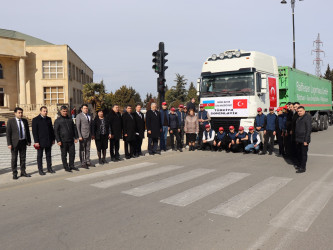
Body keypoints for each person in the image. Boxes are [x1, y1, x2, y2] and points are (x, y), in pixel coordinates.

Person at [6, 107, 32, 179]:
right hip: (14, 143)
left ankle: (23, 172)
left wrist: (29, 141)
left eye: (21, 113)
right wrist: (9, 143)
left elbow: (27, 132)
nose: (21, 114)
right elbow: (8, 133)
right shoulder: (11, 121)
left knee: (23, 158)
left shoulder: (25, 121)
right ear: (15, 113)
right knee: (14, 159)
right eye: (19, 113)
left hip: (23, 142)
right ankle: (14, 173)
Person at [54, 106, 79, 172]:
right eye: (63, 111)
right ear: (60, 112)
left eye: (66, 111)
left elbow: (74, 128)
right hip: (63, 141)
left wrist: (76, 137)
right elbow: (56, 131)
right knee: (64, 154)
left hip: (71, 140)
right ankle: (66, 167)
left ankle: (71, 165)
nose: (65, 112)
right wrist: (58, 140)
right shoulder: (58, 120)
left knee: (72, 153)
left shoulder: (70, 119)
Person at [32, 106, 55, 175]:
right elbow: (34, 132)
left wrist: (53, 139)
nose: (45, 112)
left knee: (48, 155)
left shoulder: (49, 119)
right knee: (40, 156)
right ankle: (40, 169)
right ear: (40, 111)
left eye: (46, 111)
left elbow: (51, 130)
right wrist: (36, 141)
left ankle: (49, 168)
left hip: (48, 140)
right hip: (40, 141)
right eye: (44, 111)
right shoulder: (35, 119)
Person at [76, 104, 95, 169]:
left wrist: (92, 134)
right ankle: (83, 163)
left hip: (89, 135)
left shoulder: (89, 115)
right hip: (82, 135)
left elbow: (91, 125)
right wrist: (79, 136)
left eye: (86, 108)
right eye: (84, 108)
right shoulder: (79, 116)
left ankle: (88, 161)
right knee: (82, 150)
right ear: (81, 109)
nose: (86, 109)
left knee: (88, 149)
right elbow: (78, 127)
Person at [295, 106, 311, 173]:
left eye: (300, 111)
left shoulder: (307, 117)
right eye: (298, 111)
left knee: (303, 154)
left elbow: (308, 130)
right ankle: (300, 165)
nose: (299, 112)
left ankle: (303, 168)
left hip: (304, 139)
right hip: (298, 139)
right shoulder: (299, 118)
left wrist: (306, 140)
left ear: (304, 110)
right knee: (299, 153)